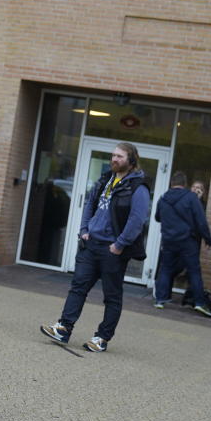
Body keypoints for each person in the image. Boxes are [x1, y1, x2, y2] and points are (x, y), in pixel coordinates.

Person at [40, 142, 150, 353]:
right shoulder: (105, 179)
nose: (114, 159)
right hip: (91, 245)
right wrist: (84, 230)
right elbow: (89, 204)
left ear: (131, 160)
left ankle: (102, 338)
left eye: (119, 156)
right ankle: (63, 328)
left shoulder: (138, 187)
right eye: (113, 156)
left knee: (111, 296)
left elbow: (137, 220)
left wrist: (119, 245)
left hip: (113, 250)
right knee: (78, 287)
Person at [153, 171, 211, 316]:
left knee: (166, 268)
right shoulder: (191, 198)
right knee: (194, 270)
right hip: (187, 240)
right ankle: (199, 302)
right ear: (185, 184)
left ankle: (160, 300)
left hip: (168, 239)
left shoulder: (163, 198)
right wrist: (208, 239)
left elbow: (157, 217)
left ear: (171, 183)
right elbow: (201, 220)